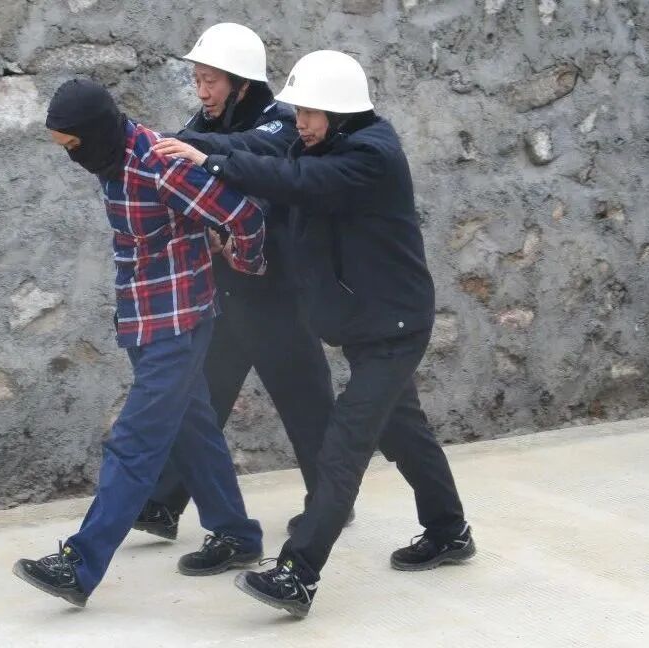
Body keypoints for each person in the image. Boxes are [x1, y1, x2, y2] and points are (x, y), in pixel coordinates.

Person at [154, 50, 475, 618]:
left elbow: (294, 180)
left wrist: (209, 161)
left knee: (343, 447)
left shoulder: (370, 157)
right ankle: (450, 530)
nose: (298, 122)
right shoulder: (320, 145)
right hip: (367, 324)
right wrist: (218, 189)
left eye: (309, 113)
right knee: (404, 431)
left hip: (396, 327)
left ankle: (298, 572)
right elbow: (273, 176)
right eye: (298, 110)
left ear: (341, 113)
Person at [12, 78, 266, 608]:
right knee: (192, 429)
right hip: (142, 320)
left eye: (74, 144)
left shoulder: (160, 163)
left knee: (135, 441)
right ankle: (237, 534)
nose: (72, 157)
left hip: (179, 324)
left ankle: (80, 564)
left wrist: (244, 263)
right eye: (64, 147)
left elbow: (242, 215)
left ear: (96, 132)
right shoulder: (110, 158)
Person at [134, 23, 347, 543]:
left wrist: (188, 146)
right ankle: (162, 504)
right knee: (199, 401)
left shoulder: (282, 121)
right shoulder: (202, 123)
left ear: (243, 84)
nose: (202, 92)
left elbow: (247, 151)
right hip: (227, 290)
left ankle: (331, 504)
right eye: (197, 80)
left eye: (211, 81)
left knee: (306, 403)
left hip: (280, 293)